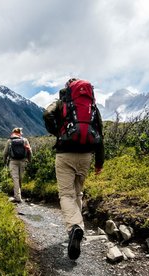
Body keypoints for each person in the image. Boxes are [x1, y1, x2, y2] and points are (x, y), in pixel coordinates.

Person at [43, 78, 104, 260]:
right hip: (86, 155)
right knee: (77, 193)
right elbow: (100, 132)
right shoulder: (91, 106)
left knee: (66, 194)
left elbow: (47, 114)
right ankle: (78, 228)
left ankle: (74, 227)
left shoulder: (62, 103)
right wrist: (99, 162)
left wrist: (57, 132)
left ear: (68, 89)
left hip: (65, 154)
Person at [3, 127, 32, 203]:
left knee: (15, 178)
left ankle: (17, 197)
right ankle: (18, 195)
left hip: (13, 162)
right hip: (23, 161)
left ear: (13, 132)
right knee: (20, 178)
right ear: (20, 133)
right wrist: (29, 160)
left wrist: (4, 162)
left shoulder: (9, 141)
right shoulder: (25, 140)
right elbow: (30, 151)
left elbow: (5, 153)